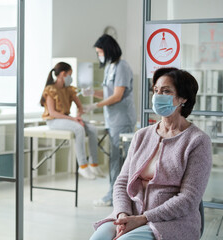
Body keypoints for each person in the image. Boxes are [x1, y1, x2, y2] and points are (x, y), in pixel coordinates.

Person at [89, 67, 212, 240]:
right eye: (156, 90)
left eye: (166, 91)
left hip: (170, 222)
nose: (158, 95)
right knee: (98, 238)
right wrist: (122, 214)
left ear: (183, 98)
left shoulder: (198, 141)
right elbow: (122, 182)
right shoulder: (142, 135)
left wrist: (143, 218)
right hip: (130, 213)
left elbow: (188, 199)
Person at [84, 34, 136, 206]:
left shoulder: (122, 67)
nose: (99, 55)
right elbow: (108, 93)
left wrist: (95, 106)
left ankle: (116, 197)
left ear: (109, 50)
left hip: (122, 120)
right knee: (114, 159)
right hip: (112, 120)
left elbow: (117, 96)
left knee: (119, 160)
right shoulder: (110, 67)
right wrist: (92, 93)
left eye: (100, 52)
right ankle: (115, 195)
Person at [40, 62, 104, 180]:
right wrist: (74, 119)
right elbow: (53, 113)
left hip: (68, 119)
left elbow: (80, 106)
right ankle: (83, 165)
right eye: (70, 74)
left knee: (93, 129)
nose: (71, 77)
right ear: (63, 74)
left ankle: (94, 164)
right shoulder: (50, 90)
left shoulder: (69, 89)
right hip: (54, 120)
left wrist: (78, 116)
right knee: (78, 128)